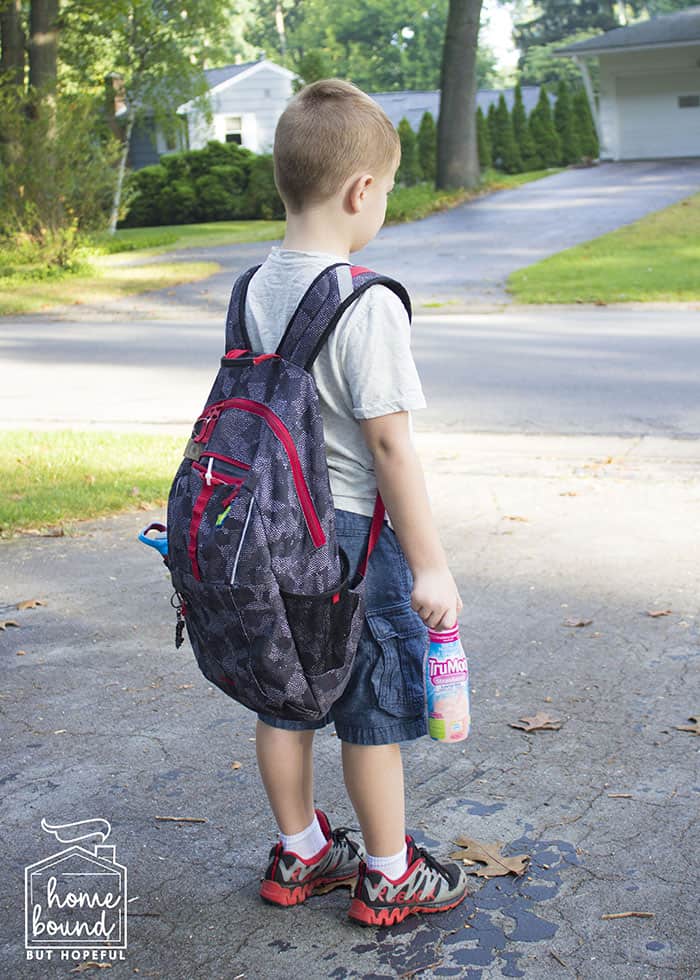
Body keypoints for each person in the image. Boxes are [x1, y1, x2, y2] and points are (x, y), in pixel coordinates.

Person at [245, 78, 468, 927]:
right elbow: (387, 446)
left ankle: (301, 852)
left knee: (285, 693)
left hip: (269, 528)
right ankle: (388, 872)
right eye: (389, 191)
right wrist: (432, 564)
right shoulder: (363, 301)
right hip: (346, 534)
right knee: (369, 704)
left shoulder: (253, 286)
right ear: (360, 190)